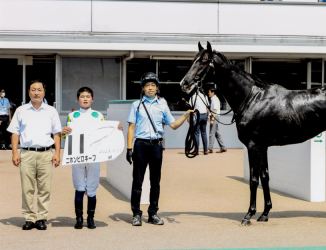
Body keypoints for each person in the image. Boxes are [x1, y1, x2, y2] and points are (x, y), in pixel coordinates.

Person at [126, 72, 193, 226]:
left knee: (155, 182)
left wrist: (185, 115)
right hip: (140, 145)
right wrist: (129, 148)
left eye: (153, 85)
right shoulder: (136, 105)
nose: (150, 88)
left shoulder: (163, 104)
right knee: (138, 181)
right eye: (147, 85)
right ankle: (136, 214)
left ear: (157, 88)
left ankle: (153, 213)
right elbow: (131, 127)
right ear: (143, 88)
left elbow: (174, 125)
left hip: (156, 145)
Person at [61, 87, 123, 229]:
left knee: (92, 187)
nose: (85, 99)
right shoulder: (72, 116)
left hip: (94, 156)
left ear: (92, 99)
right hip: (77, 156)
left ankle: (90, 219)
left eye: (88, 96)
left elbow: (106, 133)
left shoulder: (98, 115)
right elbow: (66, 136)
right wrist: (64, 132)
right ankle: (78, 219)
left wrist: (117, 128)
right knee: (79, 187)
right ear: (78, 99)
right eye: (82, 96)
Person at [7, 80, 62, 230]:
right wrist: (14, 153)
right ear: (29, 92)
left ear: (44, 92)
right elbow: (15, 133)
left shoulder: (51, 110)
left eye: (39, 89)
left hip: (46, 154)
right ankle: (29, 218)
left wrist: (57, 152)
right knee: (27, 188)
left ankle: (41, 218)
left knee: (45, 188)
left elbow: (56, 133)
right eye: (33, 90)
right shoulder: (21, 110)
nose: (36, 92)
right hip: (27, 153)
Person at [188, 88, 209, 155]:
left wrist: (188, 117)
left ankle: (196, 150)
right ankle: (205, 150)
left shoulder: (193, 97)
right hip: (204, 115)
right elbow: (207, 108)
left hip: (197, 116)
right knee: (204, 133)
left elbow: (190, 108)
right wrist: (208, 116)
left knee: (196, 133)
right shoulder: (205, 96)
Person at [206, 88, 227, 154]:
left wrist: (212, 119)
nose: (208, 93)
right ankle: (223, 147)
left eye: (209, 92)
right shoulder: (214, 99)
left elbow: (215, 110)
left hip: (214, 117)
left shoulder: (214, 99)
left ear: (213, 93)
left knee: (211, 133)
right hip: (215, 117)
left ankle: (210, 149)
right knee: (217, 133)